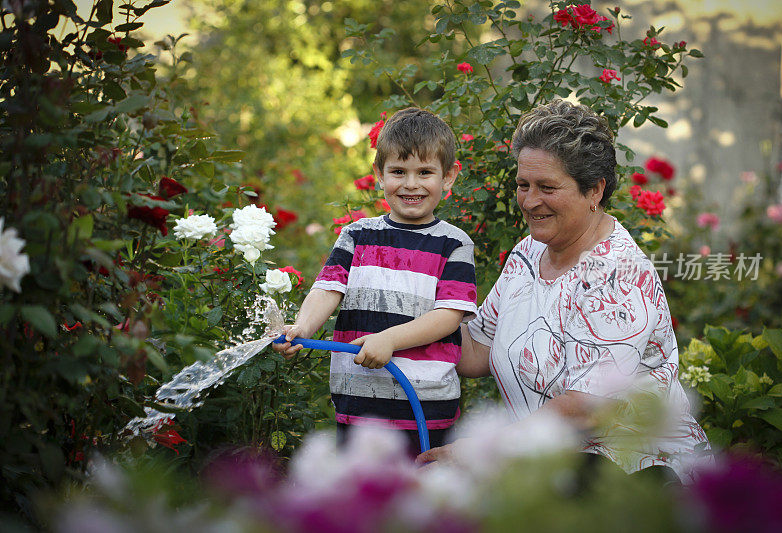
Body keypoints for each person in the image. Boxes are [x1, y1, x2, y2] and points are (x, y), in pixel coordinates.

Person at [416, 100, 710, 483]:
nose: (530, 201)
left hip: (635, 477)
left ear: (595, 191)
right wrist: (407, 306)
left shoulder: (618, 276)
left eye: (547, 187)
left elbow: (586, 407)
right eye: (523, 185)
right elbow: (476, 351)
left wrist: (479, 451)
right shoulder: (528, 253)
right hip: (550, 469)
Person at [274, 108, 478, 454]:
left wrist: (389, 340)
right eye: (398, 172)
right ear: (379, 175)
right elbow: (328, 288)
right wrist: (302, 329)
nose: (411, 184)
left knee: (418, 500)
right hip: (358, 403)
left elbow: (448, 316)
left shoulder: (454, 244)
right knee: (361, 500)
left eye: (425, 172)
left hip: (425, 408)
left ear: (448, 177)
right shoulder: (357, 235)